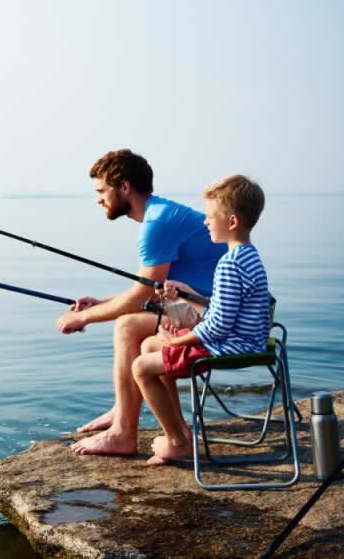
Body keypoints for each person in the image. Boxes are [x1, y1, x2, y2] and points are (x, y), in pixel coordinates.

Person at [56, 149, 225, 455]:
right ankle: (127, 410)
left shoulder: (157, 224)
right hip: (202, 305)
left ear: (124, 187)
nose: (98, 199)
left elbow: (142, 297)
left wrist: (83, 318)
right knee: (136, 326)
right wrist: (99, 303)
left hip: (214, 313)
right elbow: (149, 289)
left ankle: (123, 431)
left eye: (101, 190)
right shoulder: (162, 215)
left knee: (127, 326)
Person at [132, 174, 271, 465]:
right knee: (149, 347)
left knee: (141, 366)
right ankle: (177, 430)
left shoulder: (229, 264)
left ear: (231, 222)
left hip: (232, 347)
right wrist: (187, 296)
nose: (205, 222)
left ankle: (178, 441)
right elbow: (225, 311)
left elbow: (218, 326)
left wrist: (178, 340)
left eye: (209, 217)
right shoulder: (249, 256)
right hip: (248, 341)